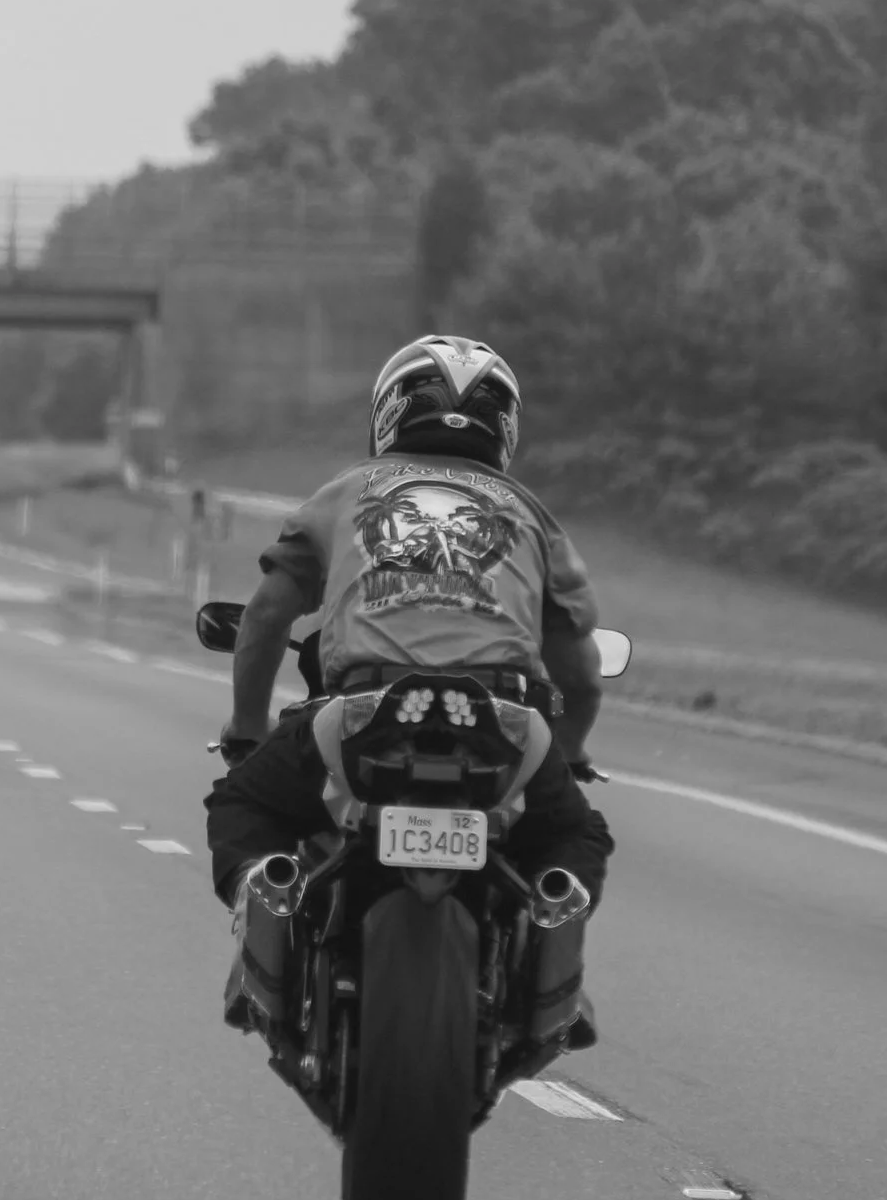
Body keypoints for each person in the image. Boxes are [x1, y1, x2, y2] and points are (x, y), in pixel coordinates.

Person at [203, 335, 613, 1052]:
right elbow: (579, 673)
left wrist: (245, 731)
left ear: (390, 409)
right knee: (574, 836)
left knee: (244, 803)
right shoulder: (533, 516)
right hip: (505, 722)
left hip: (362, 711)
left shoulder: (346, 492)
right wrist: (569, 758)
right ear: (505, 426)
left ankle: (269, 901)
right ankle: (553, 940)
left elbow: (266, 616)